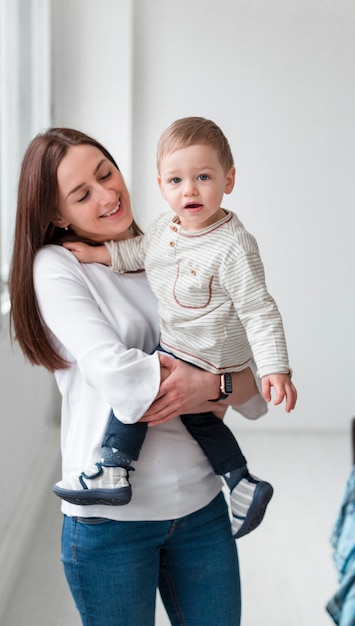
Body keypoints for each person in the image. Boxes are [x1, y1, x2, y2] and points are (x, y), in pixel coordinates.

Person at [9, 127, 273, 626]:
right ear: (57, 215)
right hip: (111, 523)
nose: (108, 195)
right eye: (83, 194)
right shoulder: (59, 265)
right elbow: (119, 378)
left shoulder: (175, 245)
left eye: (106, 174)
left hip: (201, 506)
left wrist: (211, 384)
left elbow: (248, 382)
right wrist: (210, 380)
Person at [58, 116, 297, 540]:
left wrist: (275, 367)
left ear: (230, 179)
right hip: (191, 349)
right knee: (201, 420)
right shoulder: (165, 229)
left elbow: (259, 309)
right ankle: (241, 481)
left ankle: (113, 467)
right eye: (176, 180)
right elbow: (135, 252)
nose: (189, 190)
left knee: (144, 390)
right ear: (161, 185)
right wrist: (98, 255)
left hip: (205, 350)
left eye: (203, 177)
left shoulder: (232, 245)